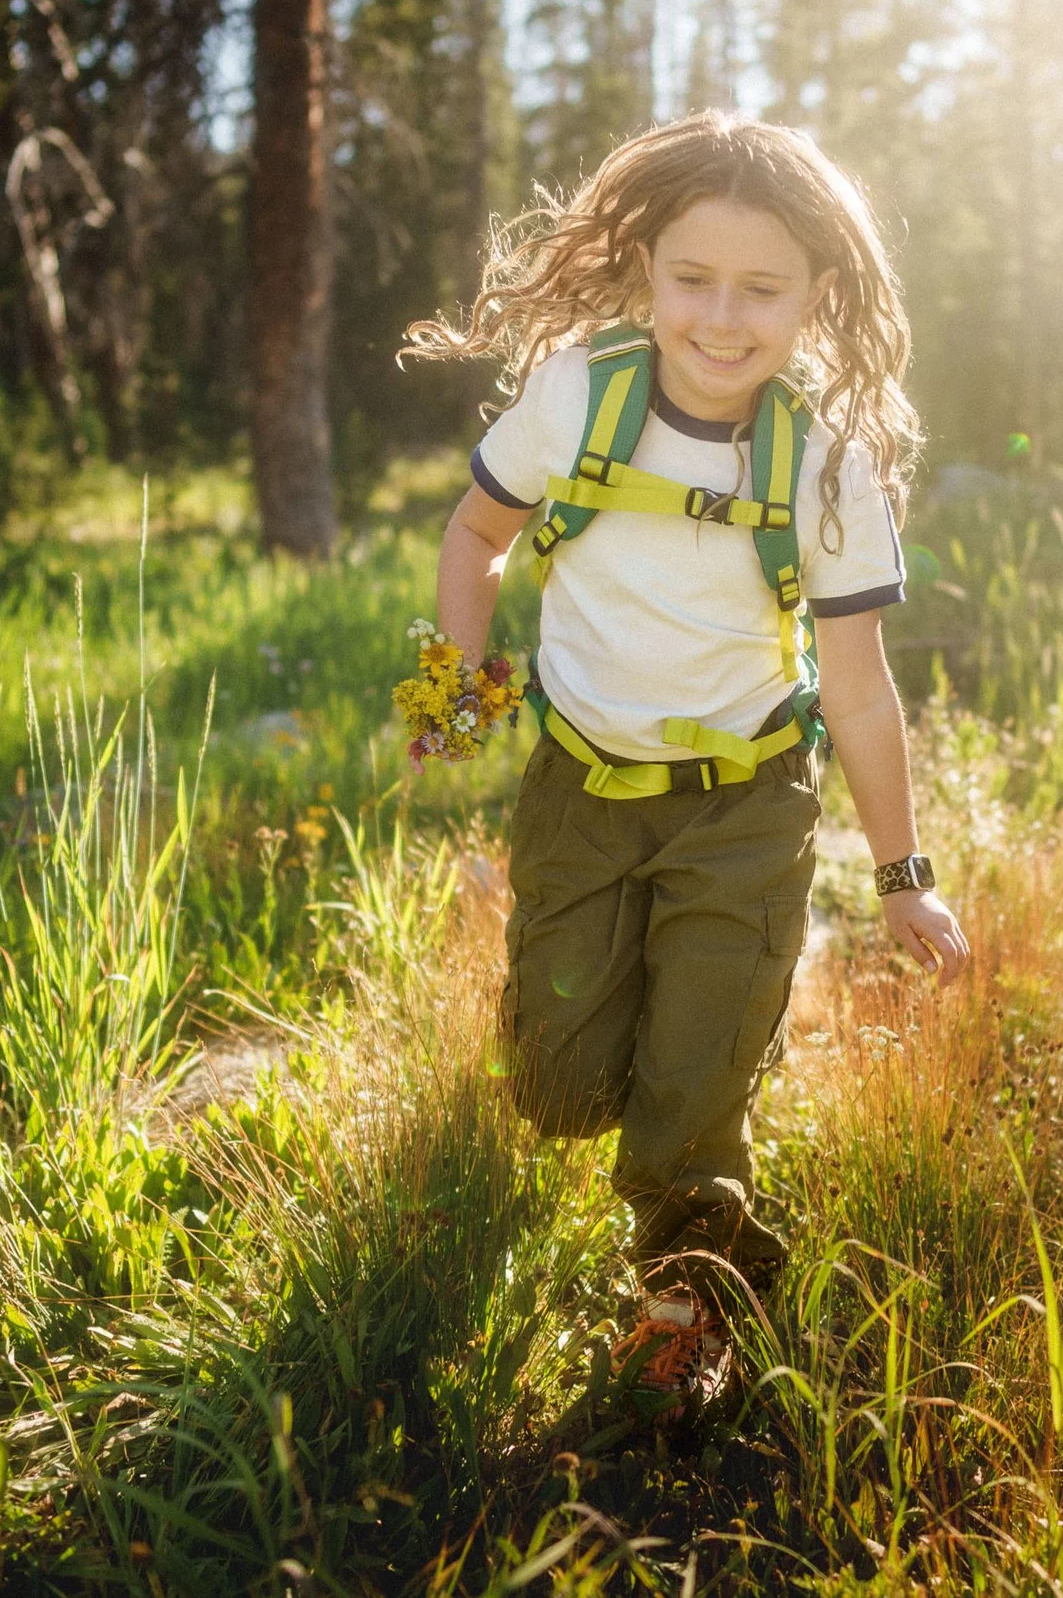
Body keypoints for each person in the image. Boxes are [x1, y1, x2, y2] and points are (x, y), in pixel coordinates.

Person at [403, 110, 969, 1417]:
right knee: (555, 1085)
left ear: (815, 297)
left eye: (762, 289)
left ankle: (685, 1296)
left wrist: (903, 874)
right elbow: (476, 535)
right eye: (693, 280)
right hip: (581, 788)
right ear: (645, 269)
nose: (724, 319)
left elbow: (862, 689)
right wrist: (462, 683)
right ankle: (620, 1035)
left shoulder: (828, 470)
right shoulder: (580, 394)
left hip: (745, 806)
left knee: (690, 1087)